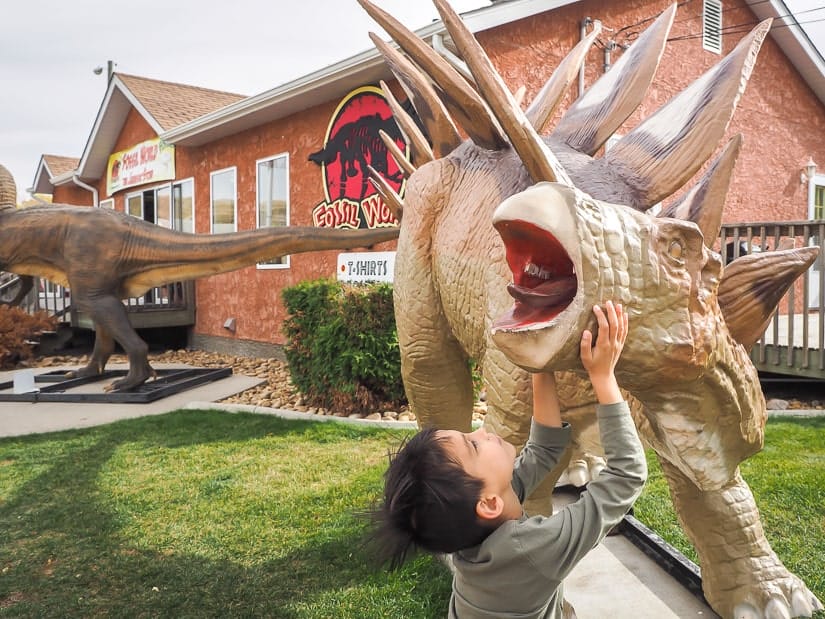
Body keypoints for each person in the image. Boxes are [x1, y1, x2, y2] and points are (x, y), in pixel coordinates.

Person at [371, 301, 647, 618]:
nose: (482, 430)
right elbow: (626, 476)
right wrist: (603, 376)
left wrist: (540, 362)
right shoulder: (532, 551)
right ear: (489, 504)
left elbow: (543, 450)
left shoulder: (475, 521)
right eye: (474, 446)